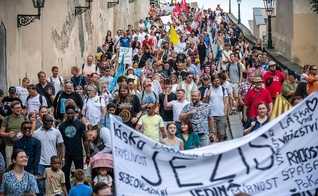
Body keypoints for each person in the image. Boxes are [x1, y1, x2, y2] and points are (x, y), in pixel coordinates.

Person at [33, 114, 65, 196]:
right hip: (40, 162)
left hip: (53, 163)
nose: (49, 123)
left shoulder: (56, 132)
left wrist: (62, 158)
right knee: (40, 185)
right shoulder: (36, 133)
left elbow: (61, 145)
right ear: (42, 121)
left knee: (54, 185)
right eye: (47, 121)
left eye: (51, 121)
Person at [59, 104, 86, 191]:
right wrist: (60, 156)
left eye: (71, 113)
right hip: (66, 153)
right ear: (65, 113)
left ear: (75, 113)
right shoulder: (62, 126)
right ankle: (68, 191)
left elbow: (85, 139)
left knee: (79, 173)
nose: (70, 115)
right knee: (65, 173)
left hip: (78, 151)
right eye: (68, 113)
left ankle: (79, 190)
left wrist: (86, 153)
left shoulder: (81, 124)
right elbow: (60, 142)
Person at [0, 101, 27, 165]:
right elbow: (1, 132)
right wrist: (8, 134)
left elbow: (29, 131)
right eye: (17, 108)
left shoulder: (24, 118)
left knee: (22, 164)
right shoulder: (7, 119)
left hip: (22, 145)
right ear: (12, 109)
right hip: (10, 145)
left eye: (20, 108)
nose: (19, 110)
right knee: (10, 164)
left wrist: (24, 135)